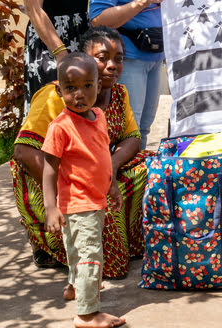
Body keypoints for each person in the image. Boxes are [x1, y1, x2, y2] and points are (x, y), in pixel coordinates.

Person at [11, 26, 150, 278]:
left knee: (149, 166)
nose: (111, 65)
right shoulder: (54, 97)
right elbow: (24, 151)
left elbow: (132, 138)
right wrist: (71, 188)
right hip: (56, 180)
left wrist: (110, 168)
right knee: (107, 263)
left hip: (95, 175)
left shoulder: (119, 93)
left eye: (118, 59)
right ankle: (49, 244)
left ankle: (129, 240)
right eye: (102, 57)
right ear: (82, 60)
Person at [42, 52, 126, 328]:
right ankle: (87, 313)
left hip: (95, 199)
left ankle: (73, 288)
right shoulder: (60, 127)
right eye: (71, 88)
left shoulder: (98, 116)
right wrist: (51, 207)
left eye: (87, 85)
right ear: (59, 90)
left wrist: (111, 184)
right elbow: (49, 169)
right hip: (78, 203)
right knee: (90, 254)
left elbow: (102, 154)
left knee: (77, 251)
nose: (79, 94)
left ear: (99, 85)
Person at [89, 0, 165, 149]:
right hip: (128, 58)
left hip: (154, 56)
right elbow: (98, 19)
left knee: (144, 125)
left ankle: (136, 179)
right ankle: (119, 180)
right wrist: (140, 2)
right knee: (126, 127)